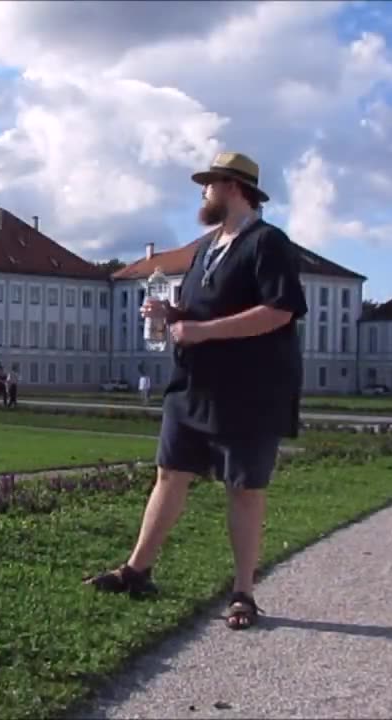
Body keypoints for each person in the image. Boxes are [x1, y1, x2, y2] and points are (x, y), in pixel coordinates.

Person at [84, 152, 308, 632]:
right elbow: (198, 309)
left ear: (231, 187)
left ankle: (243, 592)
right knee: (169, 473)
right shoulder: (207, 247)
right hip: (193, 386)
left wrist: (203, 332)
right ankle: (137, 571)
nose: (202, 193)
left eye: (207, 185)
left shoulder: (268, 243)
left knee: (244, 489)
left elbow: (280, 311)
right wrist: (171, 318)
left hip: (250, 389)